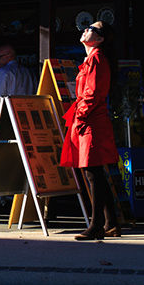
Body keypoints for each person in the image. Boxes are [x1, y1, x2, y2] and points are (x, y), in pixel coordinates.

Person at [60, 20, 121, 240]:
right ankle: (110, 222)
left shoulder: (96, 58)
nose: (86, 29)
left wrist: (81, 115)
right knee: (94, 172)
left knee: (92, 172)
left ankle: (97, 226)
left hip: (90, 120)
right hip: (90, 118)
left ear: (100, 38)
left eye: (92, 28)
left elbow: (92, 94)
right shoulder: (94, 58)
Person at [0, 45, 36, 137]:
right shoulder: (28, 72)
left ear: (9, 56)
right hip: (27, 119)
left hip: (8, 119)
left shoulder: (4, 72)